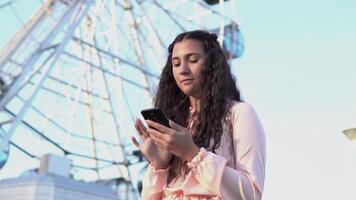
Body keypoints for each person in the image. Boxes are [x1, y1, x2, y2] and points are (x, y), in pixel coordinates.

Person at [132, 30, 266, 200]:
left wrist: (192, 153)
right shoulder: (175, 123)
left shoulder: (239, 113)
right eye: (176, 63)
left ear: (212, 64)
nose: (183, 70)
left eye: (193, 60)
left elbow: (250, 195)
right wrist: (158, 165)